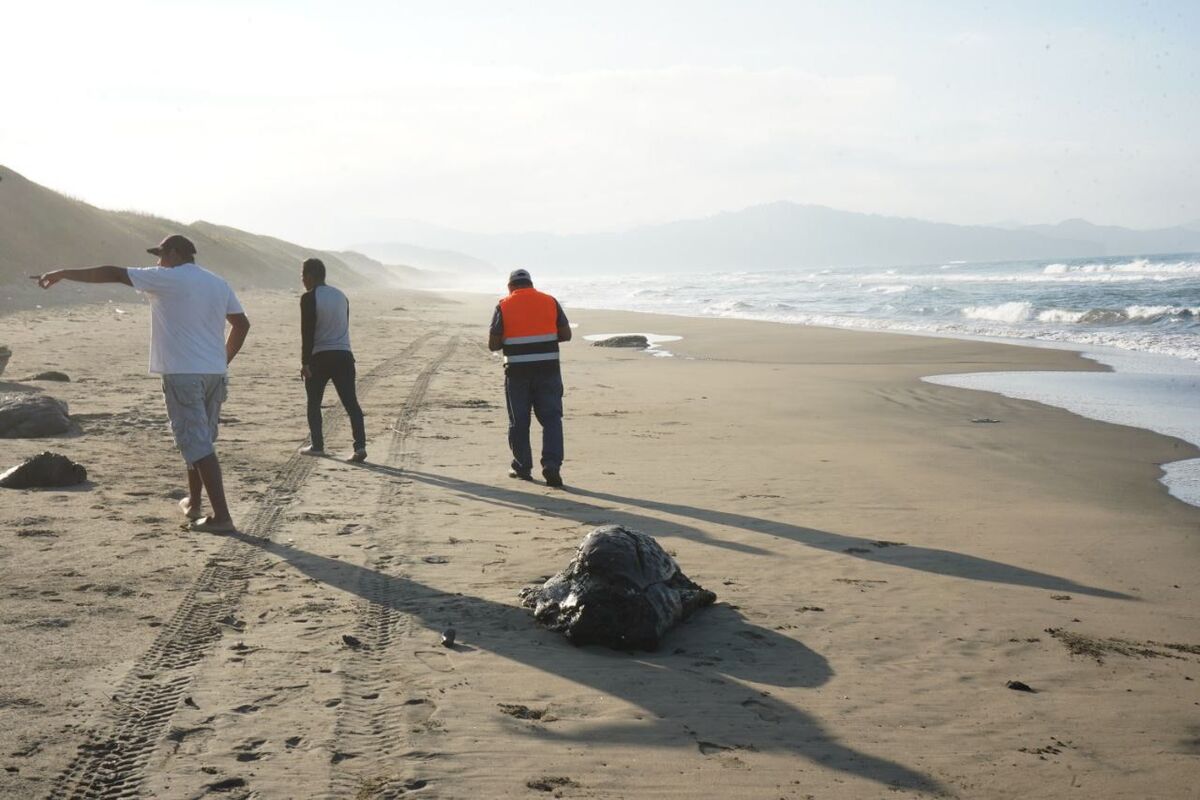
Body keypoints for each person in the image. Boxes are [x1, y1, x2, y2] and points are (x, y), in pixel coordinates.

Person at [31, 234, 250, 532]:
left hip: (183, 374)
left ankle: (222, 517)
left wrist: (63, 273)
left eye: (160, 255)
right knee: (199, 440)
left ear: (174, 254)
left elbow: (113, 273)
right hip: (214, 373)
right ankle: (194, 503)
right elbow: (241, 324)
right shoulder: (216, 282)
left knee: (196, 441)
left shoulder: (167, 277)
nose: (157, 261)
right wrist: (222, 360)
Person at [488, 268, 571, 487]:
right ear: (531, 284)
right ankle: (552, 467)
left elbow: (493, 344)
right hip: (549, 370)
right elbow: (566, 335)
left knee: (519, 421)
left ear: (510, 287)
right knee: (552, 419)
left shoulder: (503, 305)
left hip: (517, 373)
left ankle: (522, 467)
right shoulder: (550, 301)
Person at [297, 257, 367, 462]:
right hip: (344, 355)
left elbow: (307, 332)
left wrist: (305, 362)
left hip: (320, 356)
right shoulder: (341, 296)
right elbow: (343, 325)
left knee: (314, 403)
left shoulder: (309, 297)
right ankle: (360, 446)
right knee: (351, 403)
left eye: (302, 276)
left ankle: (317, 445)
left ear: (309, 276)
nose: (302, 280)